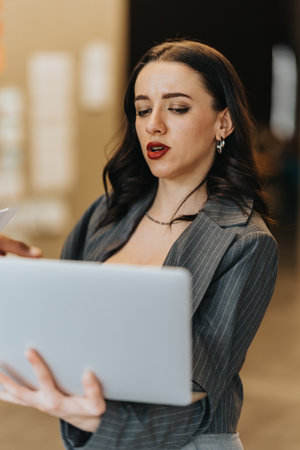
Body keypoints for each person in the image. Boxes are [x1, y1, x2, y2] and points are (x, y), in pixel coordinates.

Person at [0, 39, 278, 449]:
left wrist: (99, 420)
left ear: (224, 122)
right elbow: (62, 319)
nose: (154, 124)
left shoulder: (245, 240)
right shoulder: (110, 211)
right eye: (143, 109)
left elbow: (201, 391)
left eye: (177, 108)